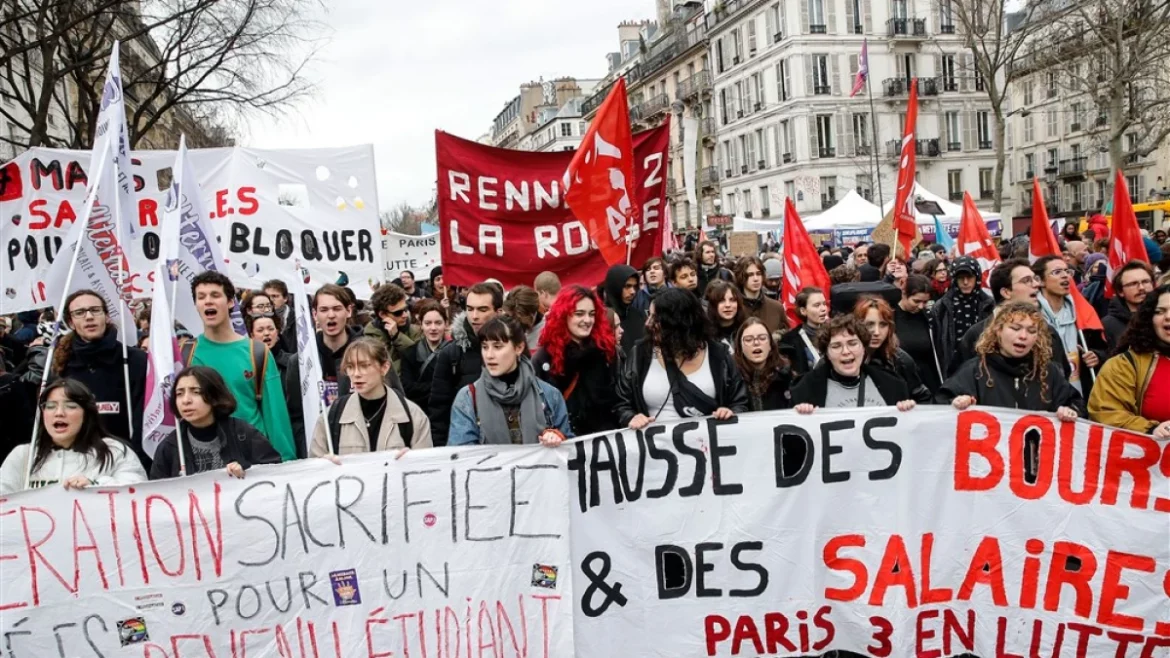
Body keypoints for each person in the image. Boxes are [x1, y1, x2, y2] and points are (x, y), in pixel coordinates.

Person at [26, 289, 152, 468]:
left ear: (106, 316)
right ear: (71, 322)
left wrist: (137, 462)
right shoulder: (58, 365)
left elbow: (145, 419)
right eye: (80, 313)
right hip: (75, 464)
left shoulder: (135, 360)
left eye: (95, 310)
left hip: (125, 462)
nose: (89, 317)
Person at [184, 271, 295, 461]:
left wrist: (286, 465)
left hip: (253, 460)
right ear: (196, 305)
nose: (208, 301)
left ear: (230, 302)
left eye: (215, 295)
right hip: (206, 462)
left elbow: (276, 418)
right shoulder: (186, 353)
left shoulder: (257, 352)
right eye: (201, 297)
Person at [616, 288, 748, 429]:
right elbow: (621, 403)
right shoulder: (640, 354)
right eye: (649, 315)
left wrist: (730, 413)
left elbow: (739, 403)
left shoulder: (718, 355)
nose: (648, 323)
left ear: (678, 321)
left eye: (656, 318)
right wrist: (631, 417)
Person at [940, 302, 1083, 419]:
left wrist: (1070, 411)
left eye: (1032, 331)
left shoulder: (1048, 372)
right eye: (1015, 328)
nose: (1023, 336)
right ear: (998, 330)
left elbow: (1076, 404)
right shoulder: (974, 370)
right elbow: (940, 407)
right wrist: (956, 403)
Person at [0, 379, 146, 494]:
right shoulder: (23, 455)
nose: (59, 413)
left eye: (70, 406)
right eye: (50, 406)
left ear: (86, 413)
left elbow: (136, 493)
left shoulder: (114, 451)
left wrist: (96, 486)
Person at [448, 317, 571, 446]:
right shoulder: (468, 398)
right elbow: (461, 457)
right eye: (485, 347)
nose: (489, 355)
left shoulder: (549, 395)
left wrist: (557, 438)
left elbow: (569, 453)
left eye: (497, 347)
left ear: (518, 348)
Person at [150, 366, 283, 479]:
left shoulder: (244, 434)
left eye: (196, 392)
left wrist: (247, 473)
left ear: (215, 396)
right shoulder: (170, 447)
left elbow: (275, 475)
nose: (186, 400)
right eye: (179, 394)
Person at [311, 339, 432, 457]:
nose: (356, 374)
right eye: (350, 367)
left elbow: (426, 470)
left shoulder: (413, 416)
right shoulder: (331, 416)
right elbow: (315, 468)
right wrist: (325, 465)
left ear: (384, 368)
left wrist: (411, 462)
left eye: (364, 366)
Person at [953, 259, 1068, 383]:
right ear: (1006, 292)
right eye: (1026, 280)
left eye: (1035, 279)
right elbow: (960, 381)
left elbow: (1061, 377)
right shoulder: (976, 335)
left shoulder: (1047, 331)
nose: (1036, 285)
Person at [532, 285, 621, 435]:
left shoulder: (606, 352)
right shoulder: (544, 357)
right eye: (579, 314)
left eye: (592, 314)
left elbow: (619, 399)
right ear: (563, 315)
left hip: (604, 443)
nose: (587, 320)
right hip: (563, 444)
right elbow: (536, 408)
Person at [1088, 284, 1170, 434]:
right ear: (1149, 319)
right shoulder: (1123, 365)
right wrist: (1151, 429)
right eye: (1160, 311)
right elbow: (1106, 413)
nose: (1168, 317)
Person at [790, 315, 916, 412]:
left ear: (863, 348)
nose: (846, 351)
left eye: (852, 343)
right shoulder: (804, 390)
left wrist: (908, 412)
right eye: (836, 346)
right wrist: (800, 417)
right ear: (826, 353)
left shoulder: (893, 385)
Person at [430, 282, 502, 446]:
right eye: (470, 309)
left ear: (498, 312)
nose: (474, 316)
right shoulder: (451, 353)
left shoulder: (513, 349)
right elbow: (439, 410)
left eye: (482, 310)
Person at [1034, 255, 1105, 396]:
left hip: (1081, 393)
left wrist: (1097, 356)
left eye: (1067, 272)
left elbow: (1103, 349)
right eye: (1057, 272)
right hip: (1045, 394)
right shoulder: (1031, 316)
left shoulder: (1083, 312)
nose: (1065, 276)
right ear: (1040, 281)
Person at [246, 313, 306, 456]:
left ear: (278, 333)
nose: (266, 333)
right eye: (260, 330)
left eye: (270, 329)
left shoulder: (293, 363)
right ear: (251, 335)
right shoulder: (249, 368)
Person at [854, 296, 932, 403]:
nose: (876, 332)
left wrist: (910, 406)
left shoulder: (901, 360)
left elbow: (923, 398)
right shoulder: (845, 358)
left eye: (883, 325)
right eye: (869, 324)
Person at [934, 256, 995, 376]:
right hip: (953, 370)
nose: (965, 282)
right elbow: (937, 345)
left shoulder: (989, 305)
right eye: (961, 278)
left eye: (970, 277)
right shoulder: (941, 306)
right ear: (954, 279)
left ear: (977, 277)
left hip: (985, 367)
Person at [893, 275, 944, 393]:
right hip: (900, 381)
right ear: (904, 294)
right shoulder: (891, 317)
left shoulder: (929, 318)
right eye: (916, 301)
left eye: (925, 302)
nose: (921, 306)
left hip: (927, 382)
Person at [400, 300, 451, 410]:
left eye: (438, 323)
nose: (433, 328)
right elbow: (407, 388)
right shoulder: (409, 354)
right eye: (428, 323)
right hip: (420, 411)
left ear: (446, 324)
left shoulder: (456, 351)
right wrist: (442, 386)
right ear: (421, 325)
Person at [733, 318, 791, 411]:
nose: (756, 343)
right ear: (740, 347)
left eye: (762, 338)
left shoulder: (786, 376)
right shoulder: (730, 379)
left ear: (770, 345)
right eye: (749, 340)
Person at [364, 283, 421, 373]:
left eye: (405, 309)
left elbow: (419, 359)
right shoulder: (370, 338)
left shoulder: (416, 330)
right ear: (382, 314)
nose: (405, 315)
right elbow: (387, 372)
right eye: (398, 313)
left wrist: (397, 336)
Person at [778, 287, 829, 379]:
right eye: (817, 305)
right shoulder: (790, 340)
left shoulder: (834, 333)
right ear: (803, 311)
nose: (823, 309)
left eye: (824, 304)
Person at [1103, 261, 1154, 352]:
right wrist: (1099, 356)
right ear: (1120, 291)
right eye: (1133, 284)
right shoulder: (1108, 324)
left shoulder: (1164, 317)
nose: (1141, 287)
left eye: (1145, 282)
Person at [736, 257, 786, 335]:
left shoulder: (776, 307)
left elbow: (788, 335)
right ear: (741, 277)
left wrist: (778, 336)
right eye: (750, 275)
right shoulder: (734, 307)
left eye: (758, 274)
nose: (756, 279)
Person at [603, 264, 647, 354]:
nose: (632, 292)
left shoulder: (638, 316)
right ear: (615, 286)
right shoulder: (602, 318)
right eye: (627, 286)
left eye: (635, 286)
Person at [706, 280, 746, 351]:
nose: (728, 305)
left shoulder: (746, 330)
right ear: (714, 305)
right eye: (722, 301)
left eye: (732, 300)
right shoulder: (707, 335)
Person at [503, 285, 544, 351]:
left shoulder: (544, 331)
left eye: (519, 320)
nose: (515, 323)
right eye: (511, 317)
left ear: (532, 314)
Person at [262, 279, 297, 353]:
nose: (271, 300)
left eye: (275, 296)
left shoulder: (297, 318)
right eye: (267, 296)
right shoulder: (259, 319)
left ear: (285, 298)